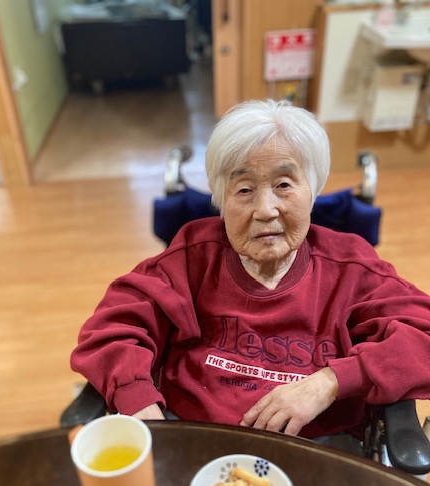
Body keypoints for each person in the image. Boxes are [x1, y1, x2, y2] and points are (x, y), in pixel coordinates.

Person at [70, 99, 430, 442]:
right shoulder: (192, 256)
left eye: (283, 185)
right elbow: (113, 329)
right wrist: (138, 400)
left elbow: (423, 339)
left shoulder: (351, 268)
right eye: (244, 189)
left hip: (314, 449)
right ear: (221, 200)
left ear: (313, 190)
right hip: (191, 439)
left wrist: (329, 383)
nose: (265, 210)